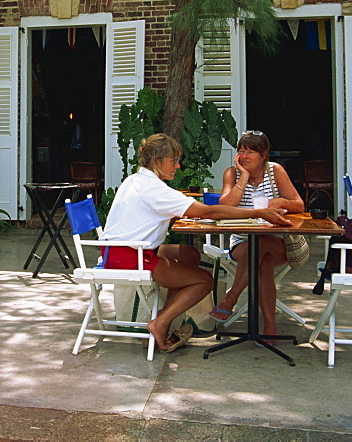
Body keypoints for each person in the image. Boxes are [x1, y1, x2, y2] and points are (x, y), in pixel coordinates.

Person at [100, 133, 291, 353]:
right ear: (157, 162)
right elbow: (209, 211)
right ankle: (161, 322)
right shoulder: (156, 190)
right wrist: (259, 212)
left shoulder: (135, 180)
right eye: (174, 161)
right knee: (204, 281)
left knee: (189, 255)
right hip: (132, 257)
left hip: (115, 252)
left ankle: (165, 317)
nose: (178, 166)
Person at [212, 130, 305, 336]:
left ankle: (231, 297)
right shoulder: (232, 173)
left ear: (263, 155)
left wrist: (281, 202)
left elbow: (299, 205)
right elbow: (226, 206)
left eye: (250, 152)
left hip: (277, 242)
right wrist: (243, 176)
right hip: (242, 241)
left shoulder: (275, 171)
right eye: (241, 151)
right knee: (263, 263)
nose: (244, 156)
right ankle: (270, 326)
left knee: (262, 240)